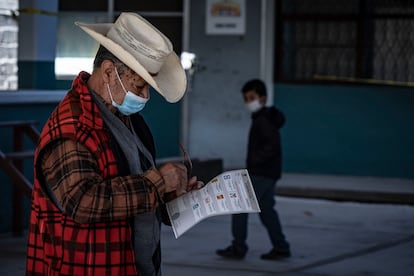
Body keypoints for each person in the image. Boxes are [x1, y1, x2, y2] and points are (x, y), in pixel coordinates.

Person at [26, 12, 203, 276]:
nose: (145, 96)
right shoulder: (73, 126)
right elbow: (82, 201)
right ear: (109, 72)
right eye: (140, 85)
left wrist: (170, 199)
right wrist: (157, 182)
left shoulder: (130, 121)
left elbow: (132, 193)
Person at [216, 79, 291, 260]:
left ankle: (238, 247)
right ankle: (281, 247)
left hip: (261, 173)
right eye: (246, 98)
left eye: (252, 98)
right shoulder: (263, 118)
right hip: (268, 172)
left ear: (263, 99)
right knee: (266, 210)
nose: (248, 102)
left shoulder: (263, 121)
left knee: (240, 206)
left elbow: (271, 147)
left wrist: (254, 163)